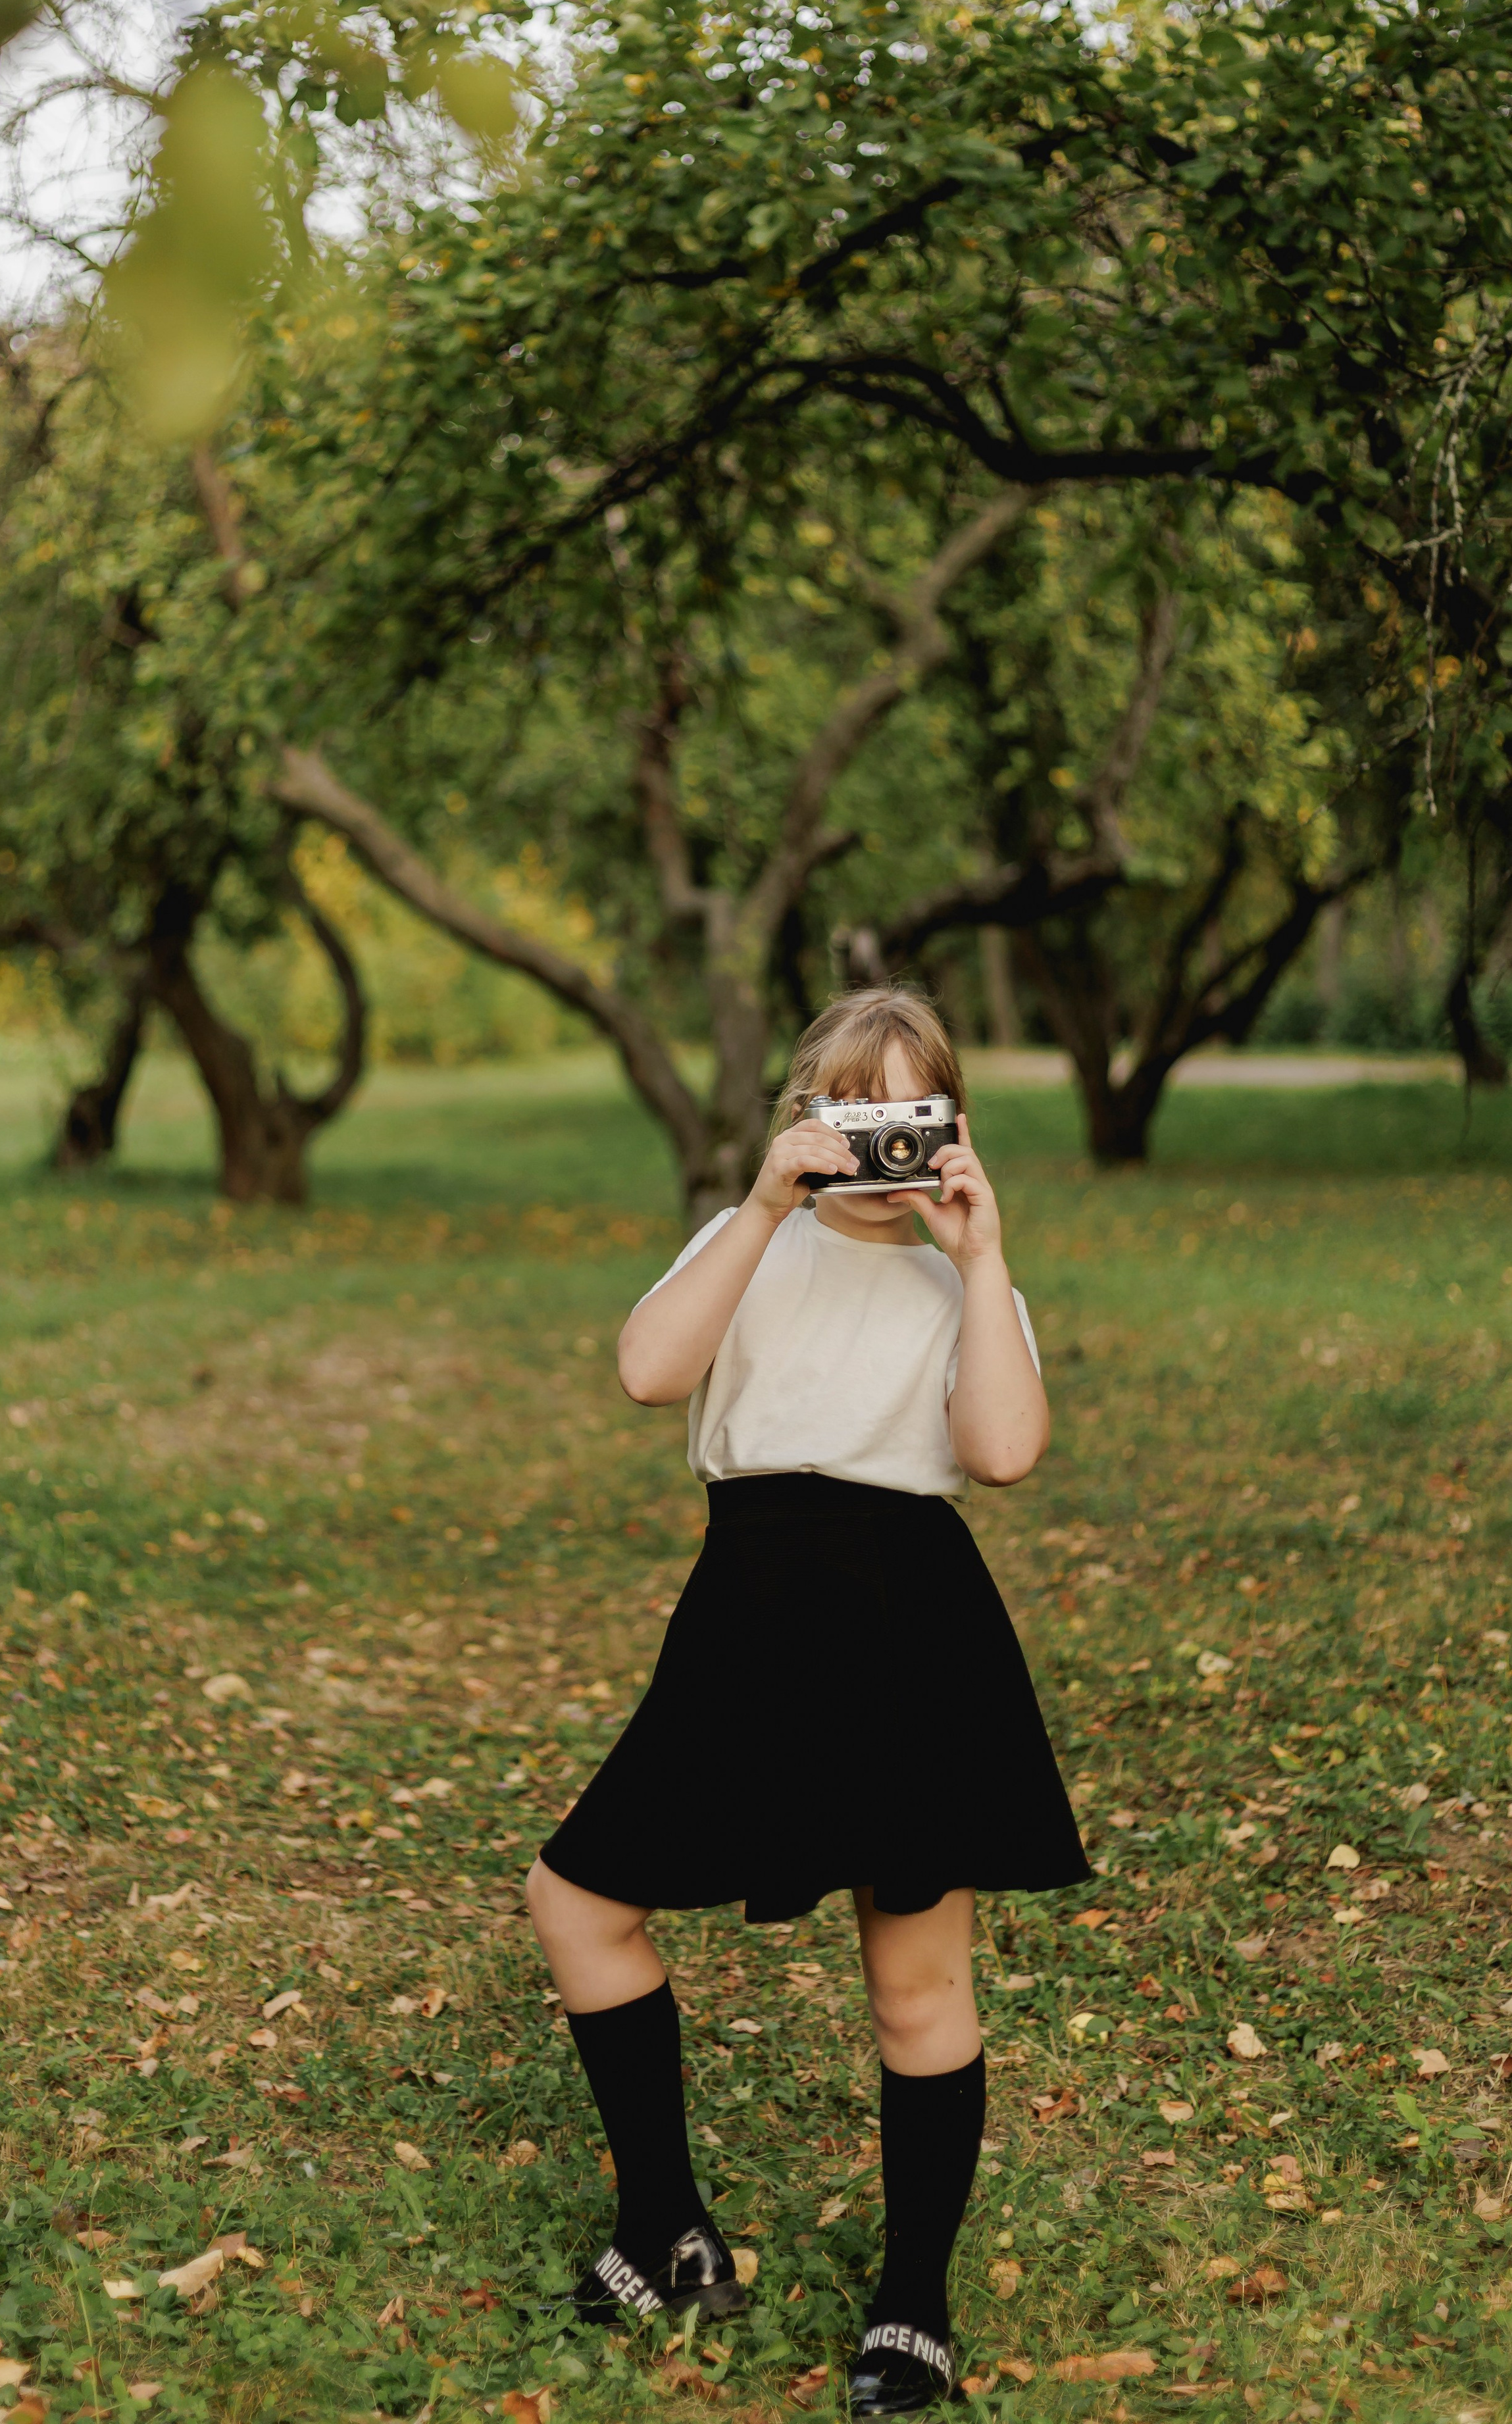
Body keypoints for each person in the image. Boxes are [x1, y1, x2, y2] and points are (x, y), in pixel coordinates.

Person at [526, 986, 1089, 2417]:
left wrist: (983, 1258)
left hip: (915, 1622)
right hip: (753, 1610)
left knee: (915, 1984)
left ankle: (913, 2308)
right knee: (577, 1899)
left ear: (951, 1125)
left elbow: (1005, 1453)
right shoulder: (746, 1242)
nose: (886, 1149)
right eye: (859, 1116)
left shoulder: (967, 1280)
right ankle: (666, 2224)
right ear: (806, 1120)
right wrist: (760, 1210)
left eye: (916, 1117)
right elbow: (650, 1372)